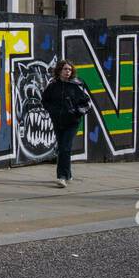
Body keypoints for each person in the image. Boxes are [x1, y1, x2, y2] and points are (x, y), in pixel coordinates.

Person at [40, 59, 92, 188]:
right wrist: (52, 110)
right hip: (58, 121)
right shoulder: (52, 85)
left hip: (72, 122)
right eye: (65, 69)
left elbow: (87, 103)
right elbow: (45, 100)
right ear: (59, 70)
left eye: (70, 69)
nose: (68, 72)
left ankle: (61, 177)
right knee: (64, 148)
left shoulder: (78, 84)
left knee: (65, 148)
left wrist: (77, 112)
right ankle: (68, 174)